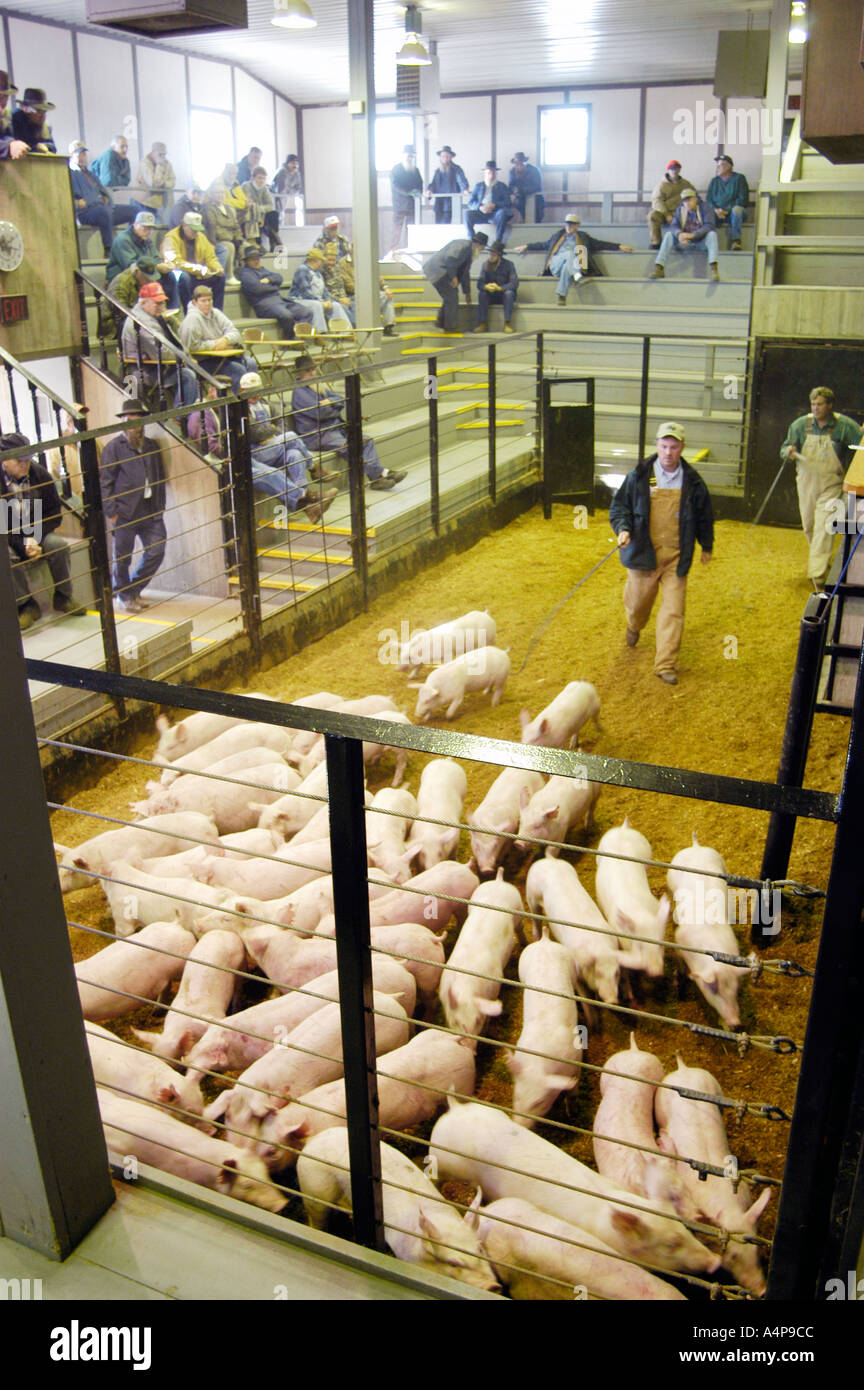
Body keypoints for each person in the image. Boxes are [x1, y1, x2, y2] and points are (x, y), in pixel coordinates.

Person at [609, 421, 714, 685]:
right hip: (644, 554)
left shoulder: (692, 481)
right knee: (638, 606)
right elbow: (620, 507)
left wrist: (707, 545)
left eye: (674, 447)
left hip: (676, 557)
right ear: (656, 446)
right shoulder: (641, 475)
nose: (668, 452)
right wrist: (623, 529)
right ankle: (633, 625)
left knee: (673, 610)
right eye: (664, 446)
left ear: (682, 448)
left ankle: (665, 663)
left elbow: (704, 515)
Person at [780, 386, 863, 588]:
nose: (816, 408)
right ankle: (821, 562)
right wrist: (788, 451)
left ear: (830, 405)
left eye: (820, 404)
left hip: (831, 483)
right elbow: (785, 447)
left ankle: (817, 574)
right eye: (813, 404)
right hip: (806, 483)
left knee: (823, 524)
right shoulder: (800, 425)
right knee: (809, 526)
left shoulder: (844, 426)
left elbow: (861, 446)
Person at [0, 431, 81, 629]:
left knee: (58, 545)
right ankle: (26, 604)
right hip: (8, 535)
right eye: (19, 461)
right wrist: (23, 544)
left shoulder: (38, 474)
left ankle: (63, 596)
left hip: (37, 530)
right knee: (7, 557)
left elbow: (54, 512)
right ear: (4, 460)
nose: (25, 465)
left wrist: (35, 538)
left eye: (27, 460)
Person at [291, 355, 406, 490]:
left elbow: (340, 399)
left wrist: (331, 402)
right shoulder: (299, 392)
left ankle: (378, 476)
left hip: (334, 429)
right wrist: (333, 408)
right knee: (350, 445)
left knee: (366, 440)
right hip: (317, 435)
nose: (312, 373)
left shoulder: (318, 386)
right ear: (300, 373)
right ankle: (382, 474)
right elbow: (321, 413)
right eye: (308, 371)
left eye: (313, 369)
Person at [239, 371, 337, 524]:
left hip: (271, 447)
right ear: (243, 391)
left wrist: (270, 433)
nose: (255, 396)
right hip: (255, 454)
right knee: (290, 437)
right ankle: (314, 469)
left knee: (295, 454)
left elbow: (281, 424)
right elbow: (253, 433)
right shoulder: (241, 409)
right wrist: (270, 432)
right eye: (251, 392)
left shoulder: (266, 404)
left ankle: (308, 506)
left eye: (258, 391)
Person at [99, 399, 167, 613]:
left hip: (150, 509)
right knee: (122, 558)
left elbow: (159, 476)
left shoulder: (151, 446)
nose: (134, 425)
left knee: (157, 550)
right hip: (125, 512)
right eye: (130, 420)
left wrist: (160, 506)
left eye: (138, 421)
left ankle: (131, 589)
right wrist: (112, 512)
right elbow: (106, 482)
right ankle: (124, 595)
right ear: (123, 422)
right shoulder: (113, 448)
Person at [515, 212, 633, 303]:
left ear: (578, 226)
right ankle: (577, 276)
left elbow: (600, 243)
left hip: (571, 265)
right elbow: (543, 244)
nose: (569, 226)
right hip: (556, 264)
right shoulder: (557, 236)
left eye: (572, 224)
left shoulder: (583, 237)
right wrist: (526, 246)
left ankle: (561, 295)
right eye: (567, 223)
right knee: (569, 254)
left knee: (569, 264)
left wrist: (619, 246)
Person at [121, 281, 199, 416]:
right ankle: (180, 417)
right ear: (143, 303)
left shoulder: (153, 317)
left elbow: (173, 343)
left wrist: (171, 323)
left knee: (194, 369)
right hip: (147, 372)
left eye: (162, 303)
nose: (161, 307)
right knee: (188, 376)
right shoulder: (141, 322)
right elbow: (162, 354)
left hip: (159, 367)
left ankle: (191, 415)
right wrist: (183, 356)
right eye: (157, 303)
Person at [179, 284, 257, 390]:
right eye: (203, 301)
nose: (207, 304)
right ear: (195, 302)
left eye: (209, 300)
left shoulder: (216, 313)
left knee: (251, 363)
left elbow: (235, 332)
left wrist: (226, 340)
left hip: (223, 357)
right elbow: (191, 347)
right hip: (202, 362)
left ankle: (252, 400)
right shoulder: (192, 320)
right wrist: (214, 345)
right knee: (238, 370)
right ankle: (237, 404)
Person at [68, 141, 136, 255]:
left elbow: (104, 194)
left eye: (84, 154)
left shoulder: (91, 175)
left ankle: (132, 245)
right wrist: (94, 200)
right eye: (79, 154)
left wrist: (104, 200)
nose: (82, 157)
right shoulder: (70, 174)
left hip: (103, 209)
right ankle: (109, 249)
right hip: (86, 213)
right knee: (104, 212)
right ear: (71, 155)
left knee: (134, 211)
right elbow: (81, 202)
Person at [237, 243, 319, 335]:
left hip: (280, 301)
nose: (256, 261)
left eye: (257, 258)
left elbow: (279, 277)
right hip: (264, 305)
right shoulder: (245, 273)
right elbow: (257, 289)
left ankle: (300, 337)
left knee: (307, 312)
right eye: (253, 259)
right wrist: (274, 287)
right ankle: (290, 340)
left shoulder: (263, 270)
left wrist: (269, 279)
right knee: (287, 316)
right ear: (247, 261)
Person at [321, 243, 397, 336]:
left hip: (364, 293)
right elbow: (348, 284)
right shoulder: (343, 264)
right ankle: (356, 331)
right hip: (354, 293)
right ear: (351, 250)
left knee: (387, 296)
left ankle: (388, 326)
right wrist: (365, 291)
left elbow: (377, 276)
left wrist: (386, 287)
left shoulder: (366, 261)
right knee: (355, 304)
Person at [107, 210, 178, 308]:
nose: (148, 232)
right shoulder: (123, 240)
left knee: (170, 276)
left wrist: (164, 266)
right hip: (125, 276)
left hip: (146, 273)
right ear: (136, 224)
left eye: (150, 229)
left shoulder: (146, 240)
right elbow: (131, 265)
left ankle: (173, 311)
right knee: (152, 281)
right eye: (145, 228)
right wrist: (157, 267)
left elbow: (156, 258)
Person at [161, 210, 226, 311]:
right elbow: (175, 262)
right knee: (184, 277)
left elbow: (211, 257)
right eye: (193, 229)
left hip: (198, 275)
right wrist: (198, 269)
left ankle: (217, 312)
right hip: (178, 275)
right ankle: (190, 312)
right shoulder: (171, 238)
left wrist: (217, 267)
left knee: (220, 277)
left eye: (197, 230)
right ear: (184, 226)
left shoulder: (201, 237)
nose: (196, 232)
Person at [423, 232, 488, 332]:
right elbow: (450, 259)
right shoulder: (463, 246)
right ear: (478, 245)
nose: (482, 251)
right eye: (482, 248)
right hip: (438, 269)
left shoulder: (468, 250)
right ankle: (450, 326)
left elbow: (465, 273)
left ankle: (441, 321)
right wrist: (453, 277)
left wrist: (467, 292)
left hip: (440, 269)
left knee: (449, 295)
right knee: (452, 296)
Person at [650, 190, 720, 282]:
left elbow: (709, 225)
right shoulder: (680, 209)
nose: (687, 203)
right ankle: (659, 267)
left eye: (689, 200)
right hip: (685, 242)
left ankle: (713, 268)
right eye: (684, 201)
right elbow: (673, 226)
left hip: (700, 242)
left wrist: (693, 235)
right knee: (669, 235)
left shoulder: (705, 208)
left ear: (695, 199)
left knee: (712, 235)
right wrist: (679, 234)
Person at [290, 247, 352, 325]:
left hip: (316, 300)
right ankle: (320, 332)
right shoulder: (302, 270)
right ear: (314, 260)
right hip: (299, 300)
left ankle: (345, 332)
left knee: (336, 305)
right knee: (317, 305)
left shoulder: (317, 272)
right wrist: (321, 302)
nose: (322, 262)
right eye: (320, 260)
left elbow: (324, 290)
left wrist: (328, 300)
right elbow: (305, 292)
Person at [104, 254, 160, 340]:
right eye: (146, 277)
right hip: (115, 324)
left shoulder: (143, 281)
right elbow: (122, 311)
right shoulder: (121, 282)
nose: (149, 280)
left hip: (138, 316)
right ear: (137, 271)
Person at [202, 180, 243, 284]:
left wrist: (238, 238)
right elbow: (214, 227)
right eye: (217, 192)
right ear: (211, 194)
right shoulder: (208, 208)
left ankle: (243, 275)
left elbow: (236, 225)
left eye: (222, 192)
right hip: (216, 240)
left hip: (231, 237)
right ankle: (229, 276)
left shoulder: (229, 208)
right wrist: (230, 235)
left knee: (247, 247)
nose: (220, 195)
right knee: (229, 246)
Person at [474, 240, 519, 333]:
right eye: (490, 254)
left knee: (509, 293)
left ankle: (507, 323)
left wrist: (500, 288)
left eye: (493, 255)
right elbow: (479, 283)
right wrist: (486, 286)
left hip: (503, 294)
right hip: (491, 294)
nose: (491, 257)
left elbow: (514, 283)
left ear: (499, 255)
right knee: (482, 293)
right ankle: (482, 323)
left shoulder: (509, 265)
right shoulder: (485, 264)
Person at [706, 154, 749, 251]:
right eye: (717, 165)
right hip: (718, 213)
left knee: (737, 210)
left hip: (734, 213)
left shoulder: (739, 178)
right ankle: (708, 242)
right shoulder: (714, 181)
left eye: (720, 165)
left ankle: (736, 241)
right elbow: (709, 200)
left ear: (728, 166)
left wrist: (727, 210)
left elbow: (743, 199)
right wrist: (716, 210)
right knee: (707, 213)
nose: (717, 168)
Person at [465, 161, 513, 244]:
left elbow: (508, 202)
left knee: (502, 213)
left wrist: (495, 205)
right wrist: (479, 207)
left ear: (496, 174)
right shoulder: (478, 186)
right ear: (485, 173)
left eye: (493, 173)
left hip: (495, 213)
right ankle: (472, 239)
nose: (491, 175)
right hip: (481, 212)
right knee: (467, 214)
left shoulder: (502, 186)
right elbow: (470, 202)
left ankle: (498, 240)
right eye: (489, 173)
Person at [648, 159, 689, 249]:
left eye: (676, 168)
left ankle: (682, 243)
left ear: (679, 170)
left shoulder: (686, 184)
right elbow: (656, 201)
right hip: (664, 212)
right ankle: (656, 243)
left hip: (680, 212)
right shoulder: (661, 185)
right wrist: (666, 214)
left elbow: (693, 196)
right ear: (668, 170)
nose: (674, 170)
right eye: (672, 168)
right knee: (652, 216)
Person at [389, 145, 423, 252]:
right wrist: (408, 193)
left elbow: (420, 183)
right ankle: (393, 250)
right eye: (408, 156)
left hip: (413, 204)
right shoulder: (396, 169)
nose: (410, 158)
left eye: (412, 156)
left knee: (411, 228)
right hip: (400, 204)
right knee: (397, 228)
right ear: (403, 155)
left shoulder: (415, 170)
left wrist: (418, 192)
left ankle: (410, 249)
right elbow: (395, 186)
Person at [426, 146, 468, 225]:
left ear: (451, 157)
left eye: (447, 156)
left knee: (446, 225)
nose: (444, 158)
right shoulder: (438, 171)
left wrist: (465, 189)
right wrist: (429, 190)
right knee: (438, 226)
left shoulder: (456, 169)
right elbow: (433, 183)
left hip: (450, 203)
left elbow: (461, 180)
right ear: (440, 158)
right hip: (439, 203)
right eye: (442, 156)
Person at [243, 167, 280, 252]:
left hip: (261, 214)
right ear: (253, 178)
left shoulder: (264, 189)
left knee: (274, 214)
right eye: (259, 178)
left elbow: (270, 205)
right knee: (252, 209)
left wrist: (260, 208)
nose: (262, 180)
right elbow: (249, 203)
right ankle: (258, 241)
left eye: (263, 178)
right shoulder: (247, 186)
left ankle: (273, 242)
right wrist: (261, 208)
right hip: (247, 214)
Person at [10, 87, 56, 153]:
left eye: (44, 111)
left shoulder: (45, 126)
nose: (42, 116)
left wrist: (45, 147)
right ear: (26, 110)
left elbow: (53, 147)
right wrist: (35, 148)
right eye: (38, 111)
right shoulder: (14, 121)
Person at [133, 142, 176, 214]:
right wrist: (159, 165)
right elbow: (154, 184)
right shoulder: (145, 163)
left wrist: (164, 184)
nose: (163, 157)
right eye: (160, 154)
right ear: (153, 152)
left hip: (160, 204)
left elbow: (173, 181)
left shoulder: (167, 164)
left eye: (164, 154)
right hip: (143, 202)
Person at [509, 152, 545, 222]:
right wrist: (515, 190)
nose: (518, 165)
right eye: (517, 163)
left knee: (536, 219)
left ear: (524, 162)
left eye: (520, 163)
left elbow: (537, 186)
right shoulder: (512, 171)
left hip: (536, 199)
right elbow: (511, 185)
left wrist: (523, 190)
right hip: (520, 200)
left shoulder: (534, 170)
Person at [0, 72, 27, 160]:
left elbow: (5, 136)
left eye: (5, 96)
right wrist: (8, 147)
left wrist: (13, 143)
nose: (3, 101)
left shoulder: (5, 116)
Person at [272, 154, 303, 224]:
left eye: (296, 163)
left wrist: (289, 190)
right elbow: (280, 190)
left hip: (285, 197)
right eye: (293, 163)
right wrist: (289, 190)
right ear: (287, 163)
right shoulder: (282, 172)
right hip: (275, 197)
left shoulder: (297, 174)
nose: (295, 165)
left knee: (282, 215)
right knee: (277, 215)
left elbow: (298, 189)